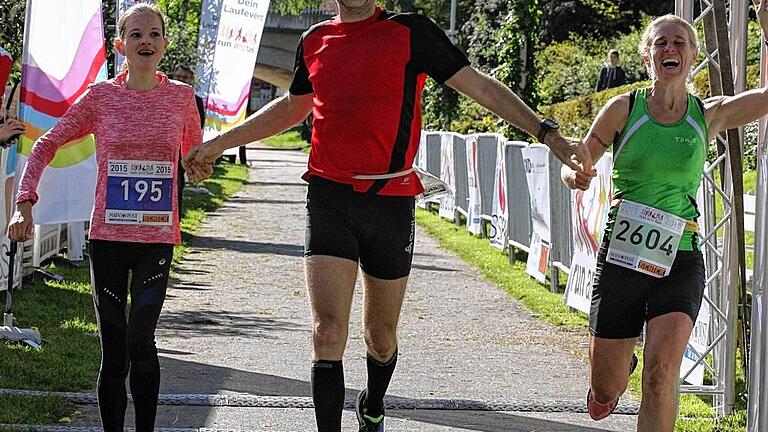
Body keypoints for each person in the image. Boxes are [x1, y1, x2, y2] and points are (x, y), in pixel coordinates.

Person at [185, 1, 593, 431]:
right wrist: (218, 142)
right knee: (327, 332)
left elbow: (480, 88)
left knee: (380, 338)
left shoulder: (410, 32)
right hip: (329, 197)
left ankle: (373, 404)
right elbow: (292, 107)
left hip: (390, 201)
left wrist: (547, 134)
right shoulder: (315, 40)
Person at [561, 5, 768, 431]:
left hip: (682, 256)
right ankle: (616, 369)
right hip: (622, 257)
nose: (670, 48)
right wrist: (574, 173)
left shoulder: (707, 114)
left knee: (661, 376)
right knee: (605, 390)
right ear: (647, 56)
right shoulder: (624, 108)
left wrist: (766, 35)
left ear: (693, 56)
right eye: (661, 42)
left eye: (679, 42)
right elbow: (581, 155)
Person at [8, 4, 207, 431]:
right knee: (115, 347)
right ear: (120, 45)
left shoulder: (180, 98)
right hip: (108, 239)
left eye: (154, 34)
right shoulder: (101, 98)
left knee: (141, 341)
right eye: (135, 35)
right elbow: (45, 144)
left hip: (156, 238)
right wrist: (24, 200)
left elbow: (195, 153)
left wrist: (199, 162)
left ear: (165, 44)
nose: (146, 42)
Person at [168, 65, 206, 214]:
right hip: (164, 150)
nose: (181, 80)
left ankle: (177, 218)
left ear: (190, 80)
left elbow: (199, 125)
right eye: (178, 77)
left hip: (182, 152)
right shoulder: (164, 97)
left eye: (185, 78)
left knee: (177, 184)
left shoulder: (196, 100)